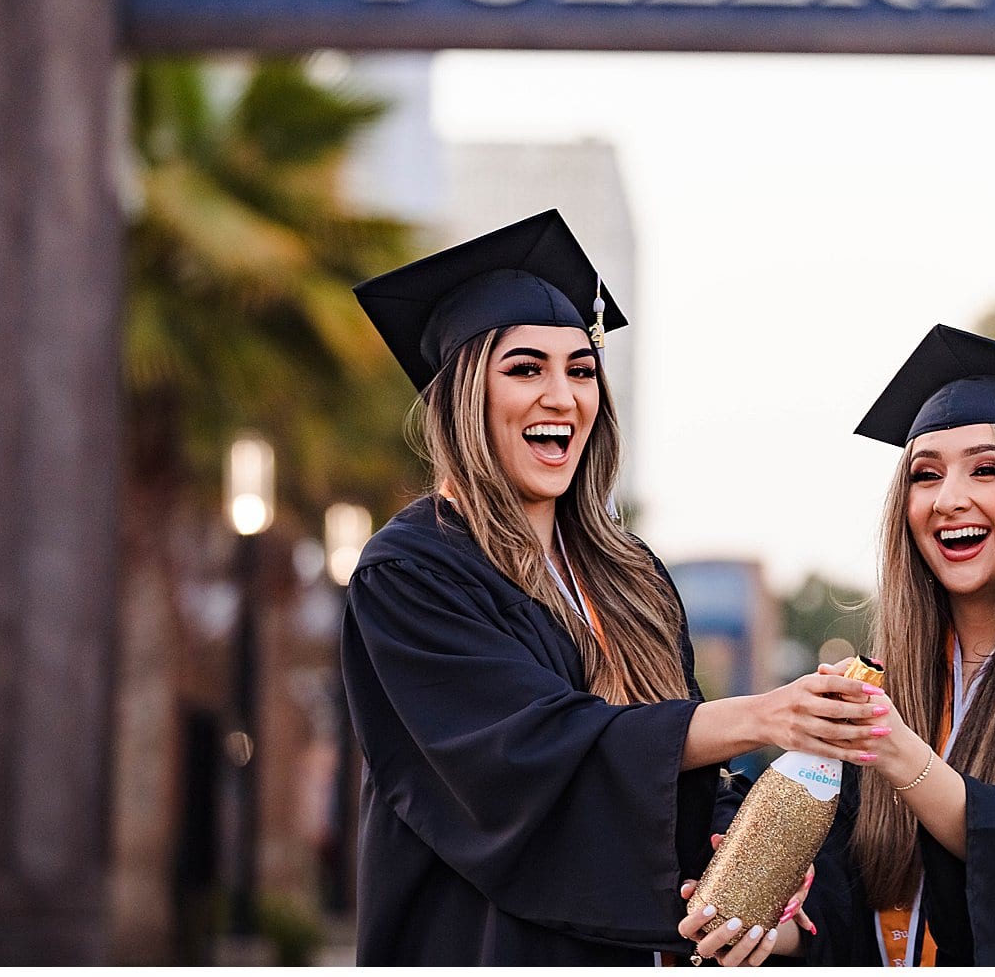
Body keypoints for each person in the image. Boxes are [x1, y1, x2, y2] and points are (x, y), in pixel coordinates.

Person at [343, 210, 881, 964]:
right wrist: (762, 715)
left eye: (581, 369)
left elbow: (679, 763)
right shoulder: (414, 572)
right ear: (464, 396)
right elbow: (528, 757)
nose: (563, 397)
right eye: (525, 368)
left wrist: (747, 851)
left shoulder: (629, 575)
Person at [679, 325, 995, 966]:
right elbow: (842, 906)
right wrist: (766, 933)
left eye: (985, 469)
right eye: (926, 476)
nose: (949, 500)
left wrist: (896, 750)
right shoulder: (888, 690)